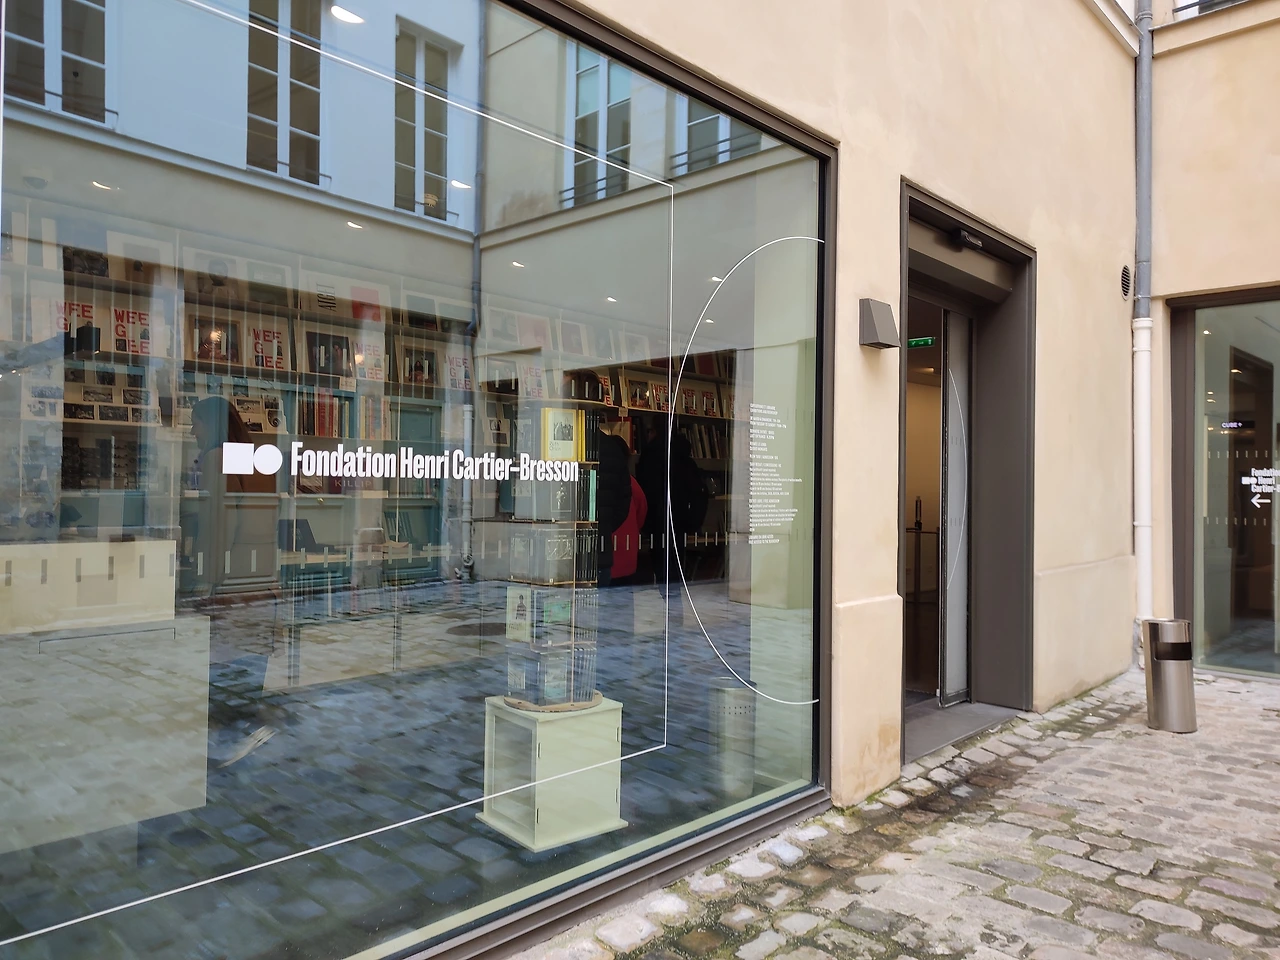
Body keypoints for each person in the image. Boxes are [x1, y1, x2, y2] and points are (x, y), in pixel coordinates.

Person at [188, 397, 281, 769]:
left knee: (222, 669)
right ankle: (247, 731)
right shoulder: (260, 459)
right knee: (251, 665)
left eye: (195, 422)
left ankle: (224, 745)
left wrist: (205, 584)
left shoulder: (217, 459)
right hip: (261, 581)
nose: (192, 431)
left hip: (229, 584)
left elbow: (219, 529)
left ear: (212, 425)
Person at [636, 422, 708, 589]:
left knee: (661, 571)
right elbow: (699, 494)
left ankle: (669, 602)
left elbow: (643, 494)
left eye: (649, 430)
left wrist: (644, 525)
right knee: (675, 571)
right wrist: (693, 524)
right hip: (679, 523)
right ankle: (674, 602)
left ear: (655, 432)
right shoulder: (685, 459)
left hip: (656, 524)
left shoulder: (649, 458)